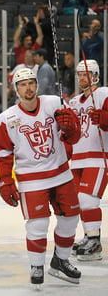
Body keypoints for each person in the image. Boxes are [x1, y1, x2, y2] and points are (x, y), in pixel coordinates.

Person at [0, 68, 82, 286]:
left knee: (70, 219)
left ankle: (60, 261)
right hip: (31, 179)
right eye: (23, 84)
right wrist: (5, 180)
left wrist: (70, 127)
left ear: (37, 85)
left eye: (31, 83)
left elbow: (74, 137)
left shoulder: (54, 103)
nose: (28, 88)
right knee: (37, 224)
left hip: (61, 173)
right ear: (16, 89)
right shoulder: (7, 119)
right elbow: (2, 154)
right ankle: (36, 265)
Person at [68, 60, 106, 261]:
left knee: (87, 199)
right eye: (80, 74)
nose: (82, 78)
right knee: (77, 202)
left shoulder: (104, 94)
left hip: (99, 157)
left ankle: (95, 242)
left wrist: (105, 118)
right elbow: (71, 132)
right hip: (78, 159)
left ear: (96, 76)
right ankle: (88, 236)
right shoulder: (74, 102)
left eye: (86, 74)